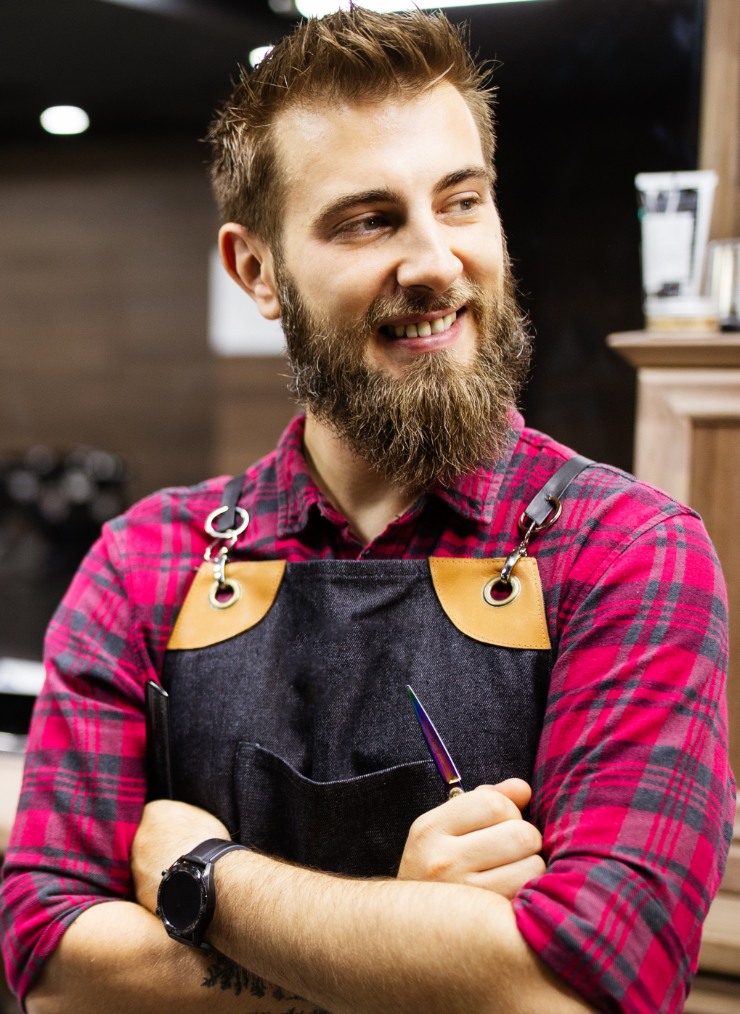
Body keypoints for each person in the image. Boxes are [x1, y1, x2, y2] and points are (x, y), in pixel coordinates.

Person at [0, 7, 735, 1014]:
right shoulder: (146, 562)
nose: (435, 261)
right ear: (256, 269)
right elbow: (50, 966)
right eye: (369, 219)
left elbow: (593, 983)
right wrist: (414, 934)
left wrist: (202, 877)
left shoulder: (624, 550)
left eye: (462, 201)